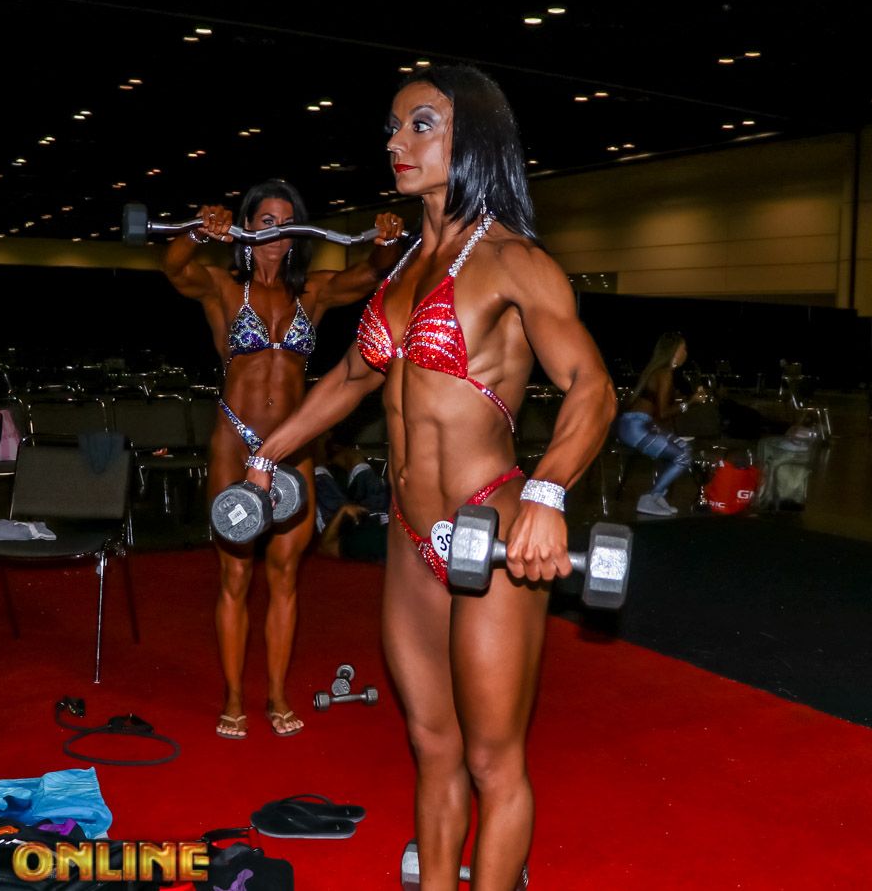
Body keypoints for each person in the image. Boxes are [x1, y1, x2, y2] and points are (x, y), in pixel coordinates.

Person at [241, 66, 615, 889]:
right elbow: (351, 376)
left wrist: (547, 493)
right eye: (392, 126)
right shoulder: (407, 264)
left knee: (491, 760)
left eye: (420, 124)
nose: (396, 142)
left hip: (490, 528)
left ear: (472, 136)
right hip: (411, 536)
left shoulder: (515, 261)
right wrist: (268, 454)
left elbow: (593, 387)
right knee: (433, 745)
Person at [161, 180, 404, 738]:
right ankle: (233, 697)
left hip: (293, 448)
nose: (276, 232)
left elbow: (372, 273)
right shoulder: (223, 287)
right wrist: (198, 231)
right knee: (235, 574)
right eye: (265, 221)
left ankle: (276, 694)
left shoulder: (311, 293)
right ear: (247, 228)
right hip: (235, 442)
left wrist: (387, 240)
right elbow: (175, 268)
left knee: (287, 575)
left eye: (287, 222)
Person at [615, 332, 698, 516]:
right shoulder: (665, 373)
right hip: (636, 427)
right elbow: (662, 413)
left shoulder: (658, 371)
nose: (686, 353)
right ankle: (650, 498)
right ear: (674, 351)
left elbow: (657, 414)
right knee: (683, 456)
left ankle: (658, 496)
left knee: (684, 448)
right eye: (684, 348)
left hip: (635, 425)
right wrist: (691, 402)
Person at [311, 432, 389, 562]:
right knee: (354, 457)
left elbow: (325, 547)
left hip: (349, 524)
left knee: (318, 471)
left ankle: (315, 444)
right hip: (383, 508)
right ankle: (329, 451)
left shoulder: (378, 542)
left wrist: (342, 512)